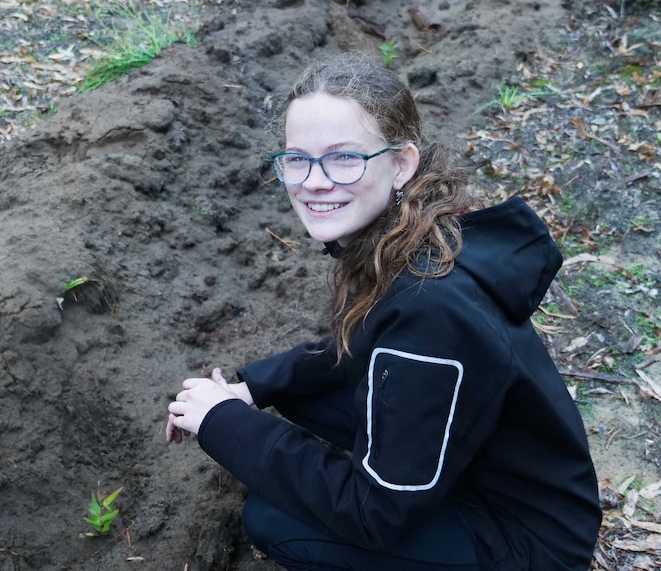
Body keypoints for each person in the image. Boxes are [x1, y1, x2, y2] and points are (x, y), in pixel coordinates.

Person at [166, 52, 601, 571]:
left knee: (276, 520)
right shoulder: (411, 242)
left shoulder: (430, 312)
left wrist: (222, 422)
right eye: (297, 159)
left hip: (529, 544)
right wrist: (253, 388)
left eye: (344, 158)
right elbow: (359, 346)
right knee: (330, 401)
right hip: (507, 484)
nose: (314, 181)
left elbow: (374, 513)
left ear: (402, 163)